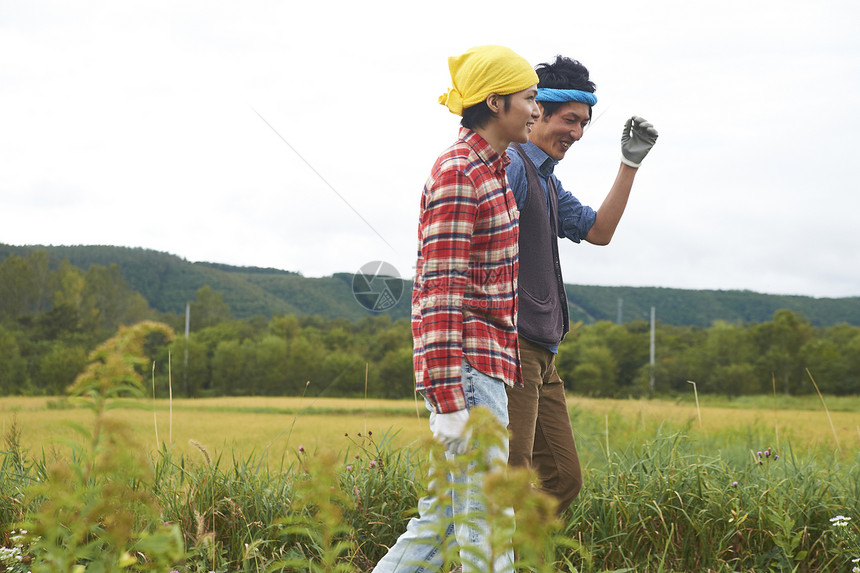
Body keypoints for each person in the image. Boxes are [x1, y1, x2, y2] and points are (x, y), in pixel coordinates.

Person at [372, 45, 539, 573]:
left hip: (486, 365)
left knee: (443, 516)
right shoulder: (459, 172)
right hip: (466, 368)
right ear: (495, 102)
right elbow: (439, 290)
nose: (537, 109)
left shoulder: (497, 169)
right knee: (486, 518)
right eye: (529, 98)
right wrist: (447, 399)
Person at [505, 56, 658, 515]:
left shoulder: (549, 181)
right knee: (508, 484)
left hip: (544, 350)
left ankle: (487, 553)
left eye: (584, 123)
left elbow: (598, 231)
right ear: (538, 113)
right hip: (513, 346)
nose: (576, 132)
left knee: (562, 480)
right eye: (569, 120)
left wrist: (629, 164)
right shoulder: (512, 167)